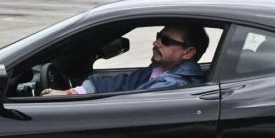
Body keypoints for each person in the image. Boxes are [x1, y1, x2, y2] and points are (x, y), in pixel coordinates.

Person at [42, 23, 209, 96]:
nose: (156, 42)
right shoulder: (158, 71)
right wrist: (72, 93)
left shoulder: (172, 85)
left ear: (188, 52)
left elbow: (129, 105)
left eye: (165, 41)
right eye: (159, 36)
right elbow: (122, 83)